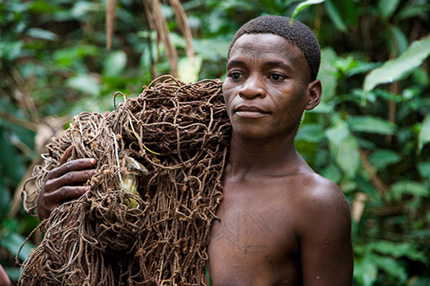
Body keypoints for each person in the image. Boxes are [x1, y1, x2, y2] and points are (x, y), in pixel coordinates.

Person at [36, 15, 353, 285]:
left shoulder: (314, 202)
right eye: (236, 74)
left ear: (312, 95)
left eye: (275, 76)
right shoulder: (170, 172)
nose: (250, 89)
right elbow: (105, 259)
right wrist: (58, 213)